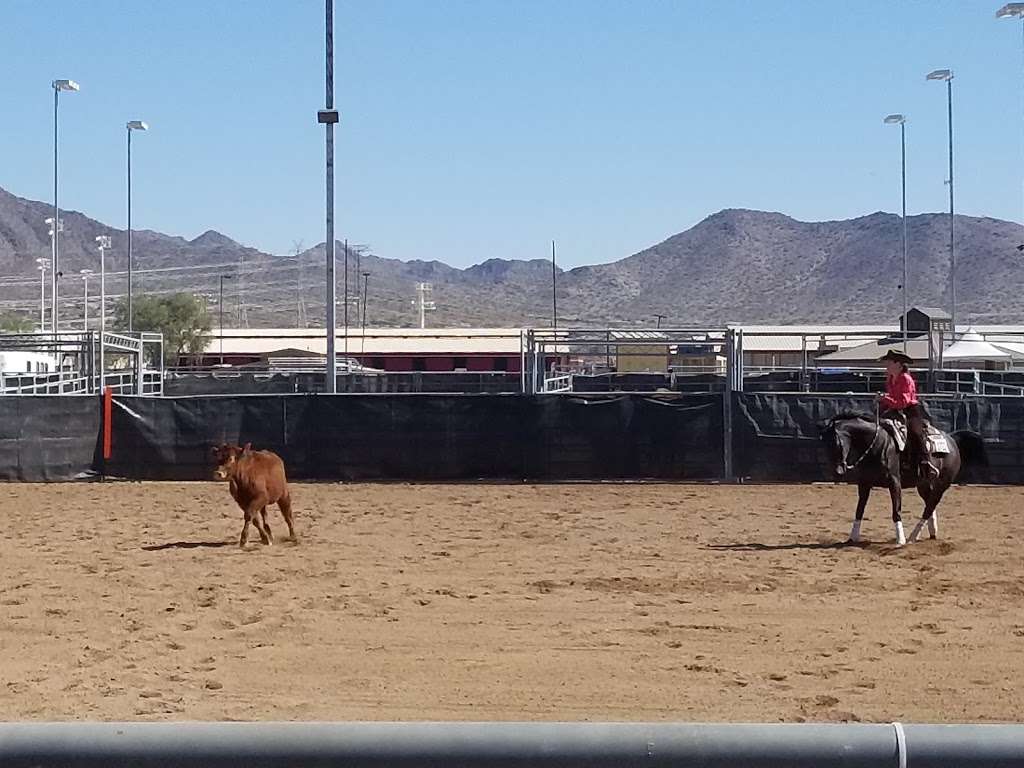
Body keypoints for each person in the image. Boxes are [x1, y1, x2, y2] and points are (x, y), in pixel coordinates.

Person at [877, 349, 937, 479]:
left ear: (898, 364)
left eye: (889, 362)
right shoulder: (891, 379)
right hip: (894, 410)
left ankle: (925, 461)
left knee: (915, 432)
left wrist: (885, 399)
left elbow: (903, 402)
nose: (886, 365)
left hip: (910, 411)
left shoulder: (905, 379)